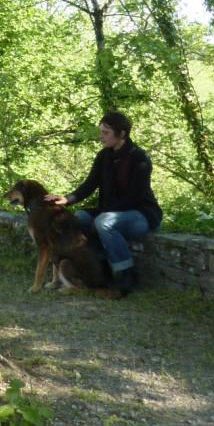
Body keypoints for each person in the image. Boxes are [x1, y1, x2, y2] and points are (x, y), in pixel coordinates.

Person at [46, 111, 162, 296]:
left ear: (122, 134)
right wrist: (67, 199)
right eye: (100, 132)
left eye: (105, 133)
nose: (101, 137)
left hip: (141, 215)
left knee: (104, 222)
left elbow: (134, 197)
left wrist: (101, 217)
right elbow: (90, 184)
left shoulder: (140, 158)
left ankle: (127, 276)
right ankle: (99, 269)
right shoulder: (104, 157)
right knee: (79, 218)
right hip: (110, 213)